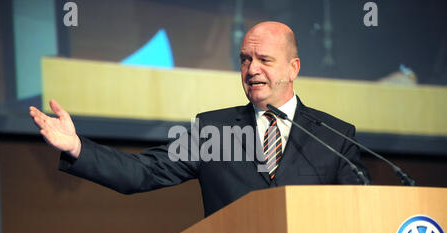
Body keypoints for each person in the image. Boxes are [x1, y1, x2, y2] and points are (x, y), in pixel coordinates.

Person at [29, 21, 368, 217]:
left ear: (293, 68)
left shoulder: (335, 136)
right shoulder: (212, 131)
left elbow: (360, 214)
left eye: (264, 59)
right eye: (245, 60)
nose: (252, 70)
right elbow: (142, 172)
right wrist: (77, 147)